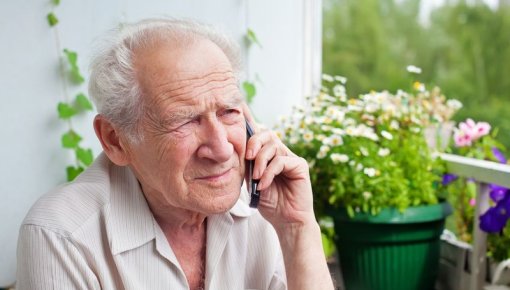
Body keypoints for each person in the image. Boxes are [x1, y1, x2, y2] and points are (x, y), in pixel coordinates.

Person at [16, 18, 334, 290]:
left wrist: (297, 228)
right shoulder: (62, 234)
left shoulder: (261, 208)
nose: (222, 149)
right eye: (185, 121)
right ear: (115, 140)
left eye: (229, 112)